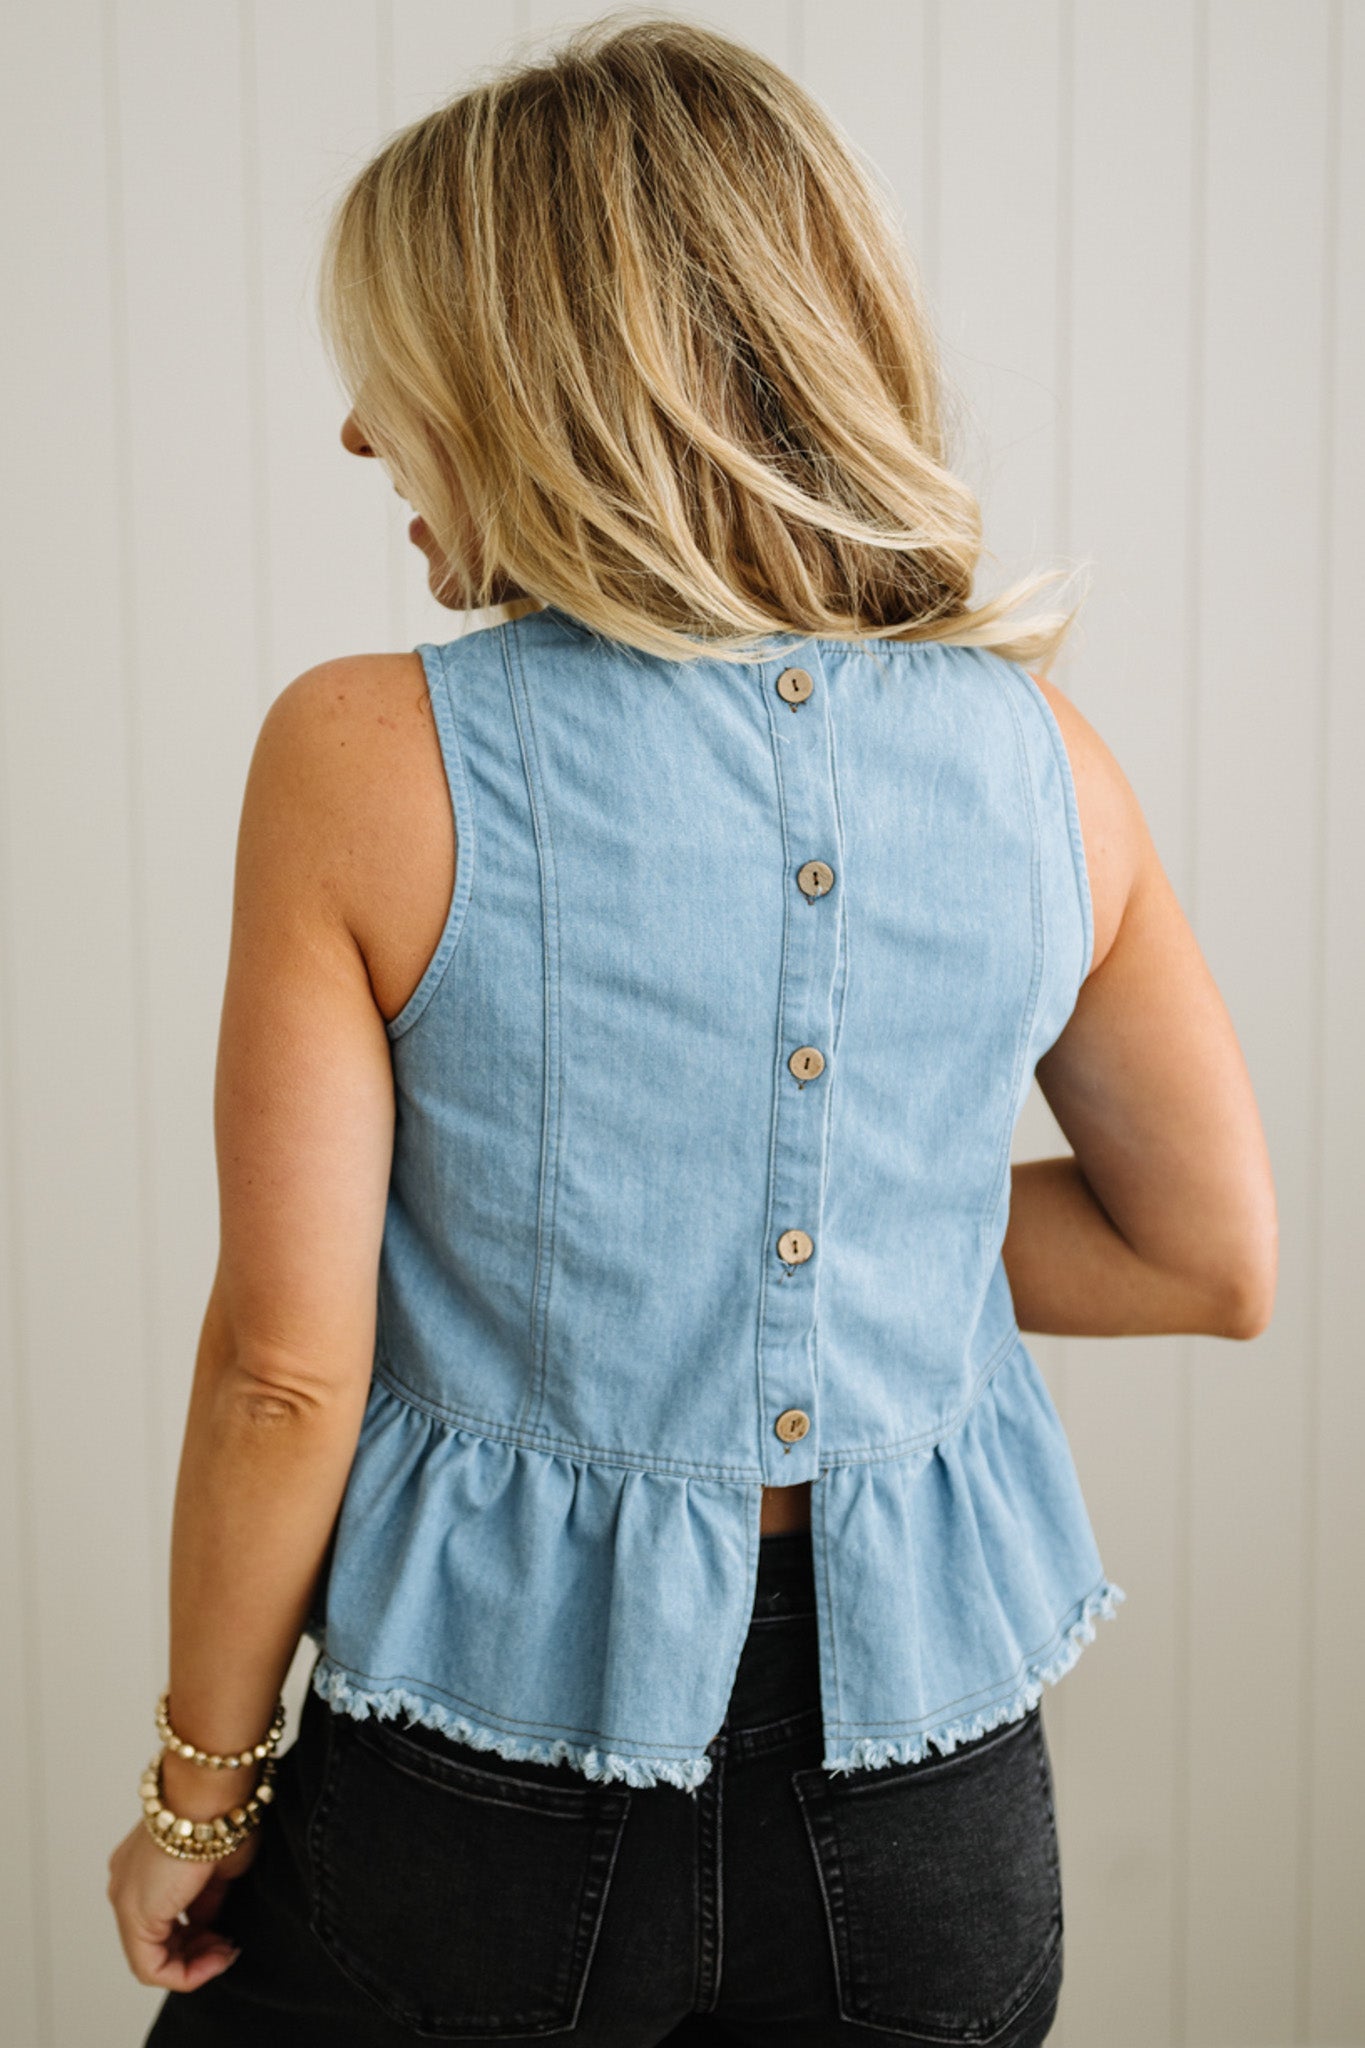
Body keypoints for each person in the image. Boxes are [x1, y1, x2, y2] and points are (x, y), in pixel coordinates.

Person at [107, 12, 1277, 2044]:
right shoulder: (1044, 765)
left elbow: (287, 1372)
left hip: (484, 1794)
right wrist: (808, 1223)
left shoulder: (366, 757)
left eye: (397, 367)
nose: (361, 438)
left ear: (535, 379)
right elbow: (1206, 1254)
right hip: (930, 1817)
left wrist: (197, 1787)